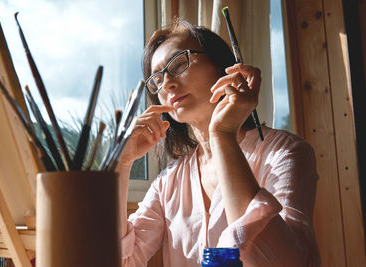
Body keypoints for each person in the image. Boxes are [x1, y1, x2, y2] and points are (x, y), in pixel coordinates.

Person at [115, 19, 320, 267]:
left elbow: (287, 262)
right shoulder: (168, 182)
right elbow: (121, 260)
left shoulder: (284, 153)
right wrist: (123, 163)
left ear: (223, 66)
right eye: (156, 80)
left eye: (179, 63)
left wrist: (222, 134)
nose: (167, 83)